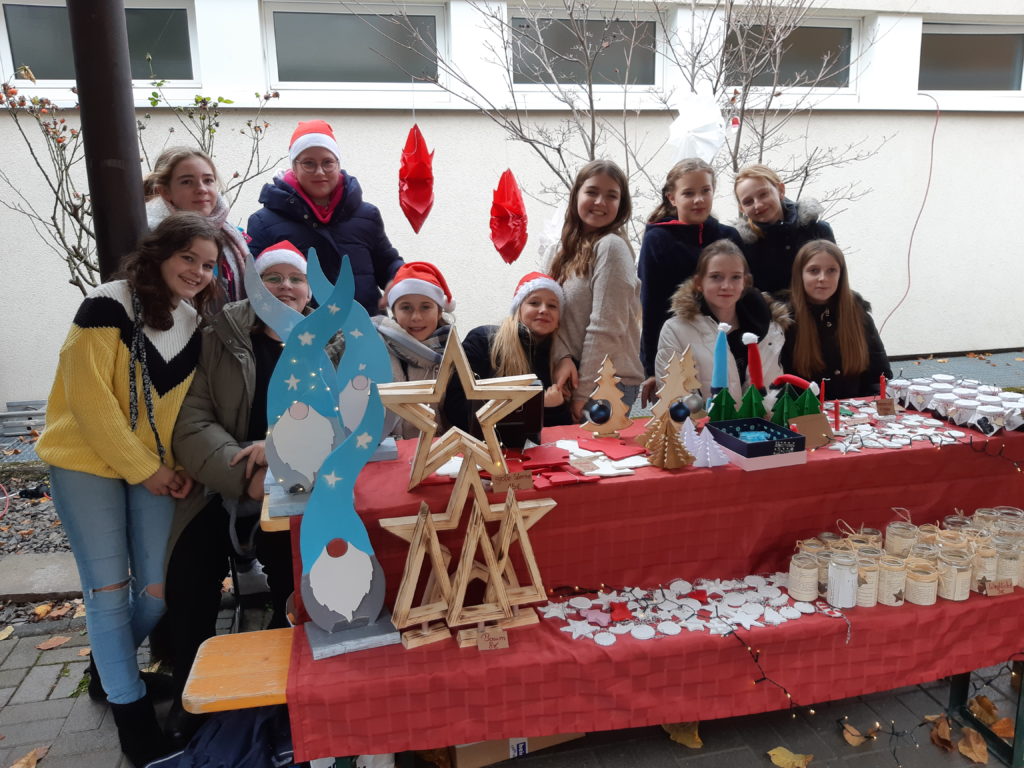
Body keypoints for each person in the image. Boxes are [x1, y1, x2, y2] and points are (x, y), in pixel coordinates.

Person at [35, 212, 223, 768]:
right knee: (110, 593)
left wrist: (171, 464)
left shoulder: (192, 323)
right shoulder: (108, 303)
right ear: (160, 253)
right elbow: (90, 401)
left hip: (151, 469)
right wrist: (148, 469)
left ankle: (106, 664)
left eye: (208, 265)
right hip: (84, 463)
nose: (197, 271)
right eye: (187, 257)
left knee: (156, 593)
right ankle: (131, 713)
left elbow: (178, 411)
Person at [162, 241, 314, 746]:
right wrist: (243, 472)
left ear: (309, 291)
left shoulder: (329, 341)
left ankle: (291, 680)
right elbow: (191, 421)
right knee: (189, 575)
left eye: (296, 278)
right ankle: (195, 695)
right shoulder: (219, 335)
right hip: (222, 479)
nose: (285, 287)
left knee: (294, 569)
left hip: (297, 481)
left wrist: (282, 449)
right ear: (254, 284)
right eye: (274, 278)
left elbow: (347, 418)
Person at [246, 119, 403, 315]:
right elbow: (253, 284)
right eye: (309, 163)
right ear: (294, 167)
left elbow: (388, 263)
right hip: (304, 336)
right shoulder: (264, 222)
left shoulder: (367, 216)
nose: (320, 172)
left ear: (338, 164)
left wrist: (399, 280)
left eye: (328, 162)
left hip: (365, 332)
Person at [549, 159, 643, 421]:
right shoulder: (565, 252)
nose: (600, 202)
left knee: (594, 462)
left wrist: (584, 392)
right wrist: (563, 357)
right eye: (592, 192)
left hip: (606, 384)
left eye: (611, 196)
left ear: (621, 205)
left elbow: (606, 326)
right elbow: (556, 320)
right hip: (572, 375)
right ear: (576, 194)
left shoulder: (611, 247)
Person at [638, 158, 743, 386]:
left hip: (727, 344)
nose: (698, 200)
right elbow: (651, 305)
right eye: (688, 193)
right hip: (679, 345)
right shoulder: (658, 239)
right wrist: (652, 368)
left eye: (705, 190)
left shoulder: (730, 237)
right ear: (672, 198)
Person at [651, 239, 788, 404]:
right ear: (699, 283)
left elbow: (771, 391)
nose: (726, 286)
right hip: (703, 428)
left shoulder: (770, 329)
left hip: (757, 428)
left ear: (745, 282)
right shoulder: (676, 330)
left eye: (735, 277)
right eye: (716, 277)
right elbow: (675, 397)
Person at [781, 240, 892, 399]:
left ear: (841, 275)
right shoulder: (785, 320)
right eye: (813, 270)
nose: (822, 278)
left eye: (831, 270)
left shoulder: (859, 314)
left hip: (855, 411)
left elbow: (879, 377)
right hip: (805, 412)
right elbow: (780, 385)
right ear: (800, 274)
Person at [462, 272, 574, 430]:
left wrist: (555, 407)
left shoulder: (559, 361)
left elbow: (561, 434)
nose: (543, 310)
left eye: (552, 305)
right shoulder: (482, 341)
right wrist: (537, 407)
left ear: (558, 320)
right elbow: (458, 410)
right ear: (518, 309)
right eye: (534, 303)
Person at [144, 147, 250, 307]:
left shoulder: (233, 237)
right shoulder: (154, 239)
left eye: (208, 180)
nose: (201, 189)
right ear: (166, 192)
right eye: (187, 182)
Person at [372, 261, 455, 438]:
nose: (416, 317)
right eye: (406, 307)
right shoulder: (374, 350)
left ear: (439, 312)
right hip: (389, 455)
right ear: (394, 311)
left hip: (440, 454)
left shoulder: (454, 353)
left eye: (426, 307)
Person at [732, 163, 836, 296]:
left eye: (763, 194)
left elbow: (837, 281)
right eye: (748, 202)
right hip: (773, 316)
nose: (758, 204)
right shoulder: (742, 246)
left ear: (780, 190)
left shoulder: (818, 231)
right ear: (742, 208)